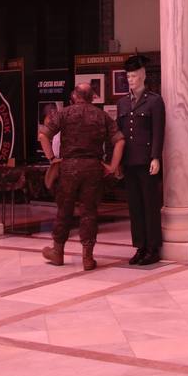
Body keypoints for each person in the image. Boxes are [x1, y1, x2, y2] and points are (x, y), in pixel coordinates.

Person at [38, 84, 124, 271]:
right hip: (93, 168)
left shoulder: (64, 114)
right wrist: (112, 166)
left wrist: (52, 159)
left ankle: (58, 252)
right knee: (89, 212)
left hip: (69, 168)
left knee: (64, 210)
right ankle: (87, 257)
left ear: (74, 95)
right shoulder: (102, 116)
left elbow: (43, 135)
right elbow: (120, 141)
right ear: (92, 97)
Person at [116, 54, 164, 265]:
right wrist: (116, 162)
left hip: (146, 162)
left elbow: (158, 132)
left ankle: (153, 248)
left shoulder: (154, 101)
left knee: (150, 205)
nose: (131, 80)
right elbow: (119, 134)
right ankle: (140, 246)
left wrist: (155, 157)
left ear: (143, 76)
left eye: (134, 76)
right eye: (128, 76)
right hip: (129, 162)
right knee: (135, 207)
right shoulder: (122, 103)